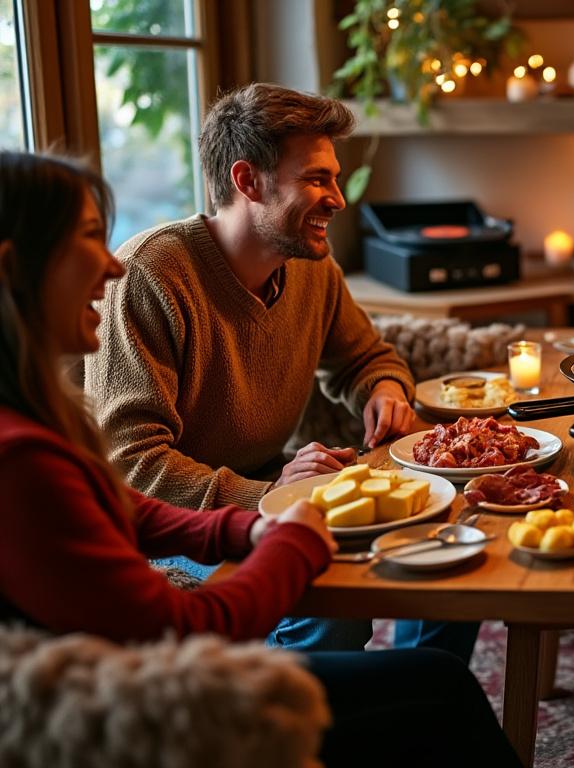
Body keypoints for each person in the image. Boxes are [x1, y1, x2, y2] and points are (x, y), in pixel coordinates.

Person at [0, 151, 521, 768]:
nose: (110, 263)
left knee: (444, 594)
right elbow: (180, 620)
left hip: (249, 508)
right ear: (15, 268)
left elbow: (119, 507)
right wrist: (286, 536)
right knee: (437, 689)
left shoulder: (29, 415)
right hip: (143, 711)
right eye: (89, 237)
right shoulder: (22, 459)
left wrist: (254, 524)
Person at [83, 83, 471, 658]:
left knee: (454, 540)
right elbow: (131, 465)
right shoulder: (150, 276)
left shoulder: (310, 266)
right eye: (317, 179)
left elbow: (367, 358)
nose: (338, 199)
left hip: (268, 483)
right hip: (168, 528)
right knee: (328, 600)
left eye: (334, 178)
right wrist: (264, 496)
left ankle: (416, 690)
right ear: (247, 181)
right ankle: (305, 728)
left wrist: (384, 392)